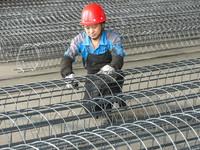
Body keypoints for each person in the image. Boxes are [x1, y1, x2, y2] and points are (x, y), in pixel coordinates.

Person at [60, 3, 126, 115]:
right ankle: (112, 99)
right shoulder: (79, 40)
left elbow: (118, 56)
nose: (91, 31)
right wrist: (67, 74)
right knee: (90, 108)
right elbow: (68, 56)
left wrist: (112, 67)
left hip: (111, 74)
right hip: (92, 74)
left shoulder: (112, 38)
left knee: (104, 94)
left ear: (102, 24)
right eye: (87, 27)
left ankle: (109, 108)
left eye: (94, 26)